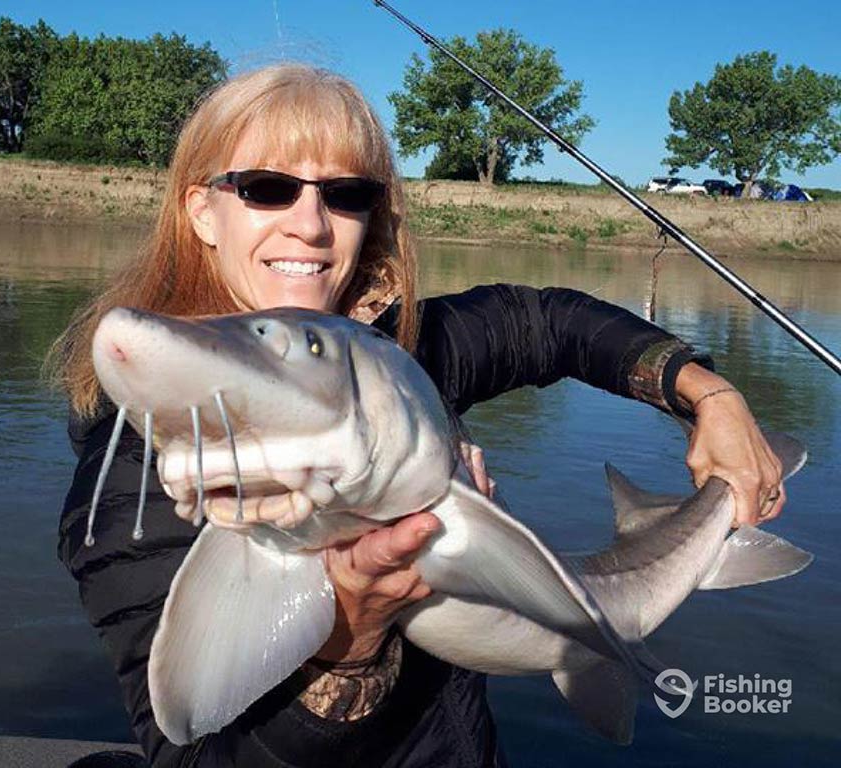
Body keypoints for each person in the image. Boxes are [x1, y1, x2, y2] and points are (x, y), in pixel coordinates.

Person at [52, 64, 786, 768]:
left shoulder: (404, 354)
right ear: (202, 211)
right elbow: (194, 757)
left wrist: (707, 395)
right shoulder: (126, 485)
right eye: (267, 188)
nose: (310, 225)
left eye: (345, 193)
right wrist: (351, 637)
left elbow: (547, 321)